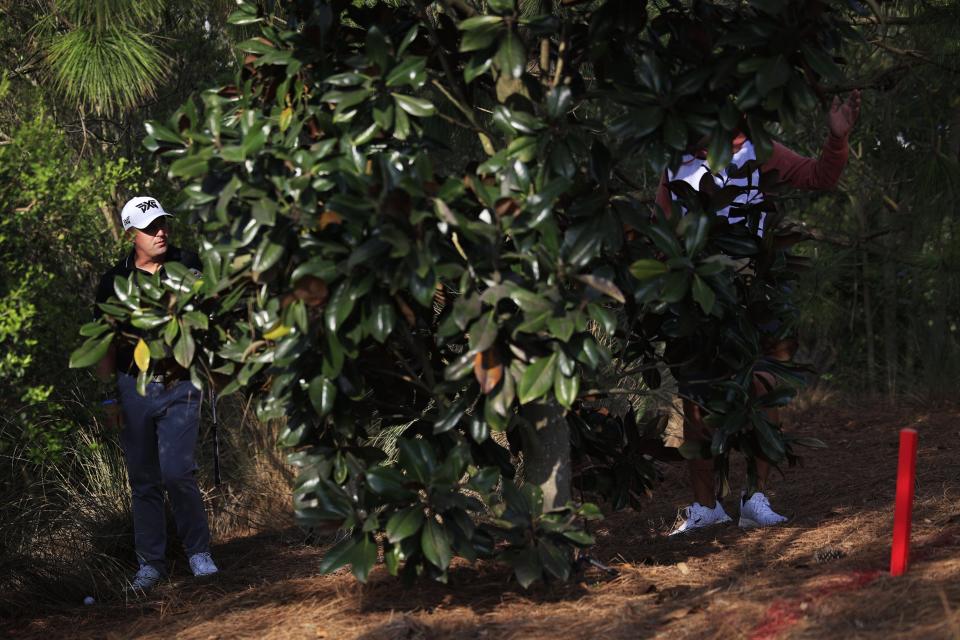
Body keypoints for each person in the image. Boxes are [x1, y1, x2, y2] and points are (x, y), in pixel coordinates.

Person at [659, 91, 861, 535]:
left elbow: (818, 177)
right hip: (696, 294)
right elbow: (661, 225)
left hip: (755, 289)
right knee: (696, 403)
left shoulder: (759, 150)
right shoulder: (677, 160)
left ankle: (756, 499)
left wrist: (836, 138)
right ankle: (705, 507)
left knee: (764, 386)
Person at [94, 196, 219, 590]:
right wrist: (110, 398)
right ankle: (151, 564)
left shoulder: (187, 264)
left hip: (181, 382)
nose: (161, 231)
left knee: (177, 471)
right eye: (151, 227)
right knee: (144, 480)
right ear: (132, 234)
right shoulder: (113, 283)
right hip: (134, 387)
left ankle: (199, 552)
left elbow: (208, 316)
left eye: (163, 223)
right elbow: (104, 343)